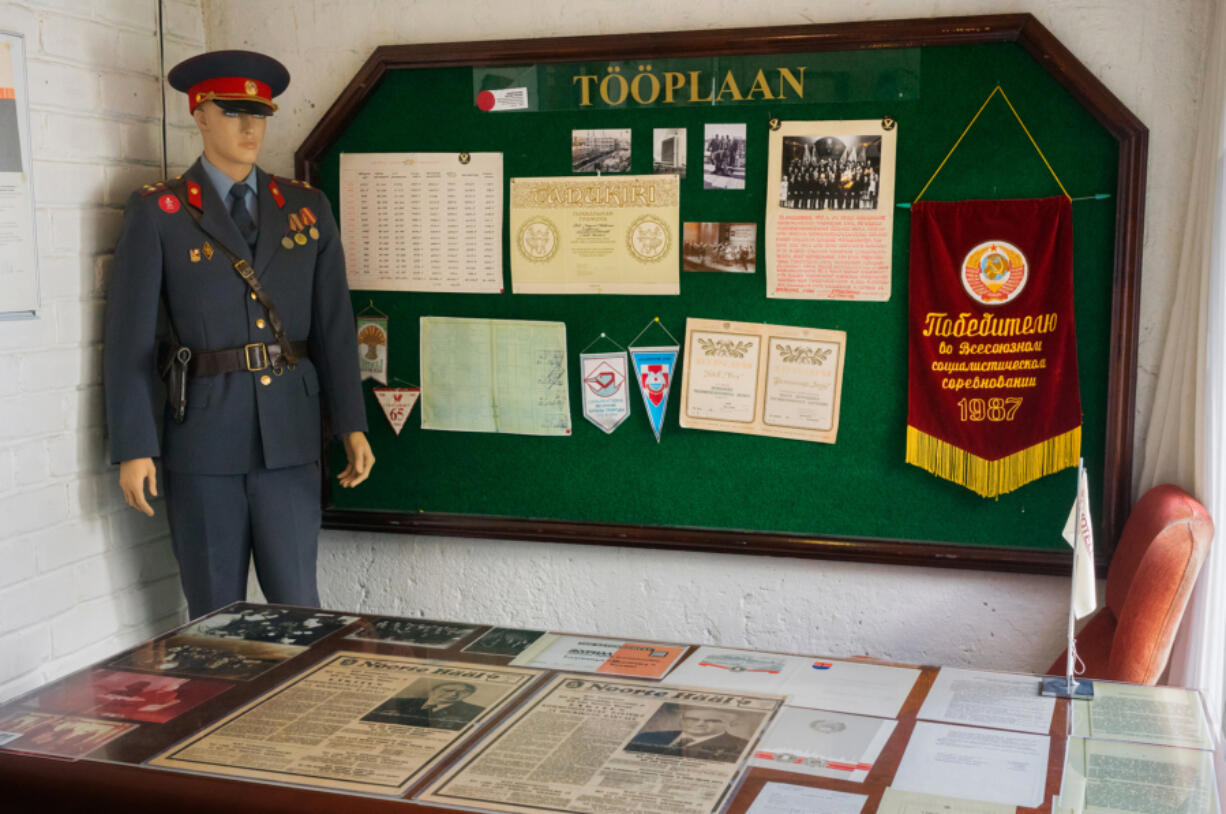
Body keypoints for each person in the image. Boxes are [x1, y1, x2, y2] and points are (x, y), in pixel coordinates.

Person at [103, 50, 373, 620]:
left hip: (291, 442)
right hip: (201, 441)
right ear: (199, 115)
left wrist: (351, 423)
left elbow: (334, 328)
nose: (251, 128)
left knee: (300, 610)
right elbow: (129, 339)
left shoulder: (307, 208)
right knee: (214, 617)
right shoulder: (160, 213)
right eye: (233, 112)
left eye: (260, 114)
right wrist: (134, 446)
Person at [624, 706, 749, 762]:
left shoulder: (742, 746)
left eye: (712, 720)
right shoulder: (646, 737)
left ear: (730, 724)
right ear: (681, 719)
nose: (700, 724)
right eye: (692, 719)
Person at [362, 681, 485, 730]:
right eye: (448, 689)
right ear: (433, 690)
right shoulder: (395, 702)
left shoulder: (477, 712)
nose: (454, 694)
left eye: (464, 692)